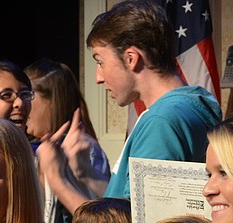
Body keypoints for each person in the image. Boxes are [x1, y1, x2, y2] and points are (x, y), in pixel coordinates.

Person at [38, 0, 222, 206]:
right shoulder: (190, 105)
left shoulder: (161, 122)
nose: (98, 77)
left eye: (100, 61)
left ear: (131, 58)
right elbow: (126, 204)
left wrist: (56, 179)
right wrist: (88, 175)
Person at [25, 58, 110, 223]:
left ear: (52, 101)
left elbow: (103, 221)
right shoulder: (32, 148)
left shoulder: (84, 149)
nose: (22, 105)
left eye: (29, 96)